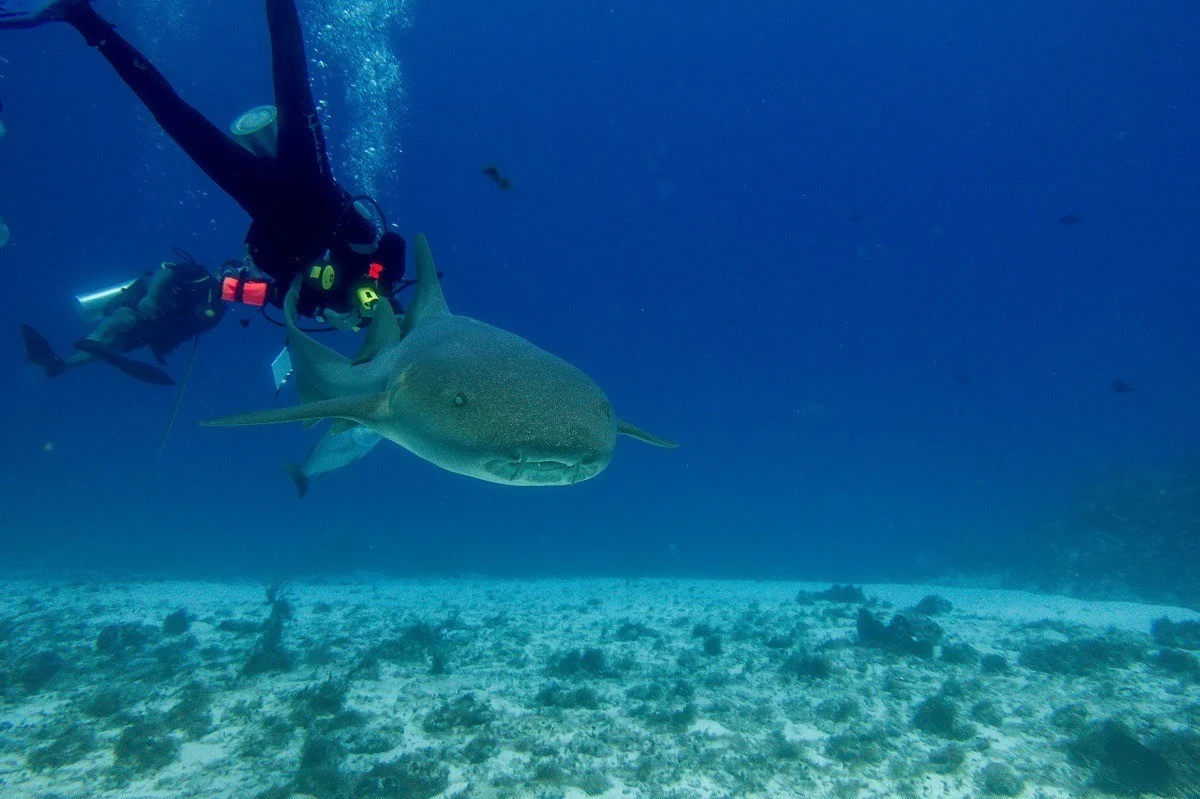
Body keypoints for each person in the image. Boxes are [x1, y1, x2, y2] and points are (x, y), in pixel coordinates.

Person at [0, 0, 407, 330]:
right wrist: (376, 280)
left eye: (367, 318)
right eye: (377, 309)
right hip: (313, 183)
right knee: (292, 78)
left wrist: (320, 311)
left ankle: (82, 18)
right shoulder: (381, 267)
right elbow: (392, 242)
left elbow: (268, 284)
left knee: (172, 116)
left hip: (262, 202)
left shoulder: (315, 305)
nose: (365, 310)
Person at [21, 256, 226, 385]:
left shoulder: (216, 310)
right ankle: (93, 338)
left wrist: (161, 345)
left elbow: (185, 331)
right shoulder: (199, 274)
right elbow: (165, 272)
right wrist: (151, 297)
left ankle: (62, 364)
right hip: (138, 301)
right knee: (125, 319)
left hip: (151, 329)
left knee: (111, 346)